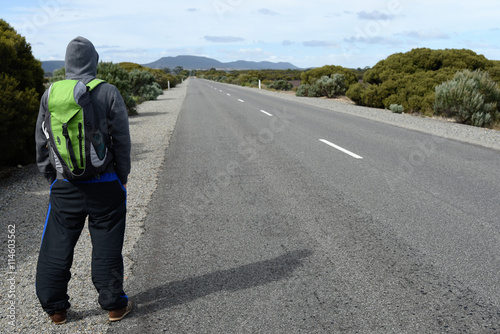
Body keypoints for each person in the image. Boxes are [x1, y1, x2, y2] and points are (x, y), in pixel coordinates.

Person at [35, 36, 132, 324]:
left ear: (66, 63)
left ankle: (56, 310)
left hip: (65, 186)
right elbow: (122, 140)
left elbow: (42, 141)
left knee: (57, 244)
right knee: (107, 244)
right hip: (106, 184)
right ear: (94, 61)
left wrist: (52, 177)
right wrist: (122, 177)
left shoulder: (50, 93)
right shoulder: (108, 91)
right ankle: (114, 305)